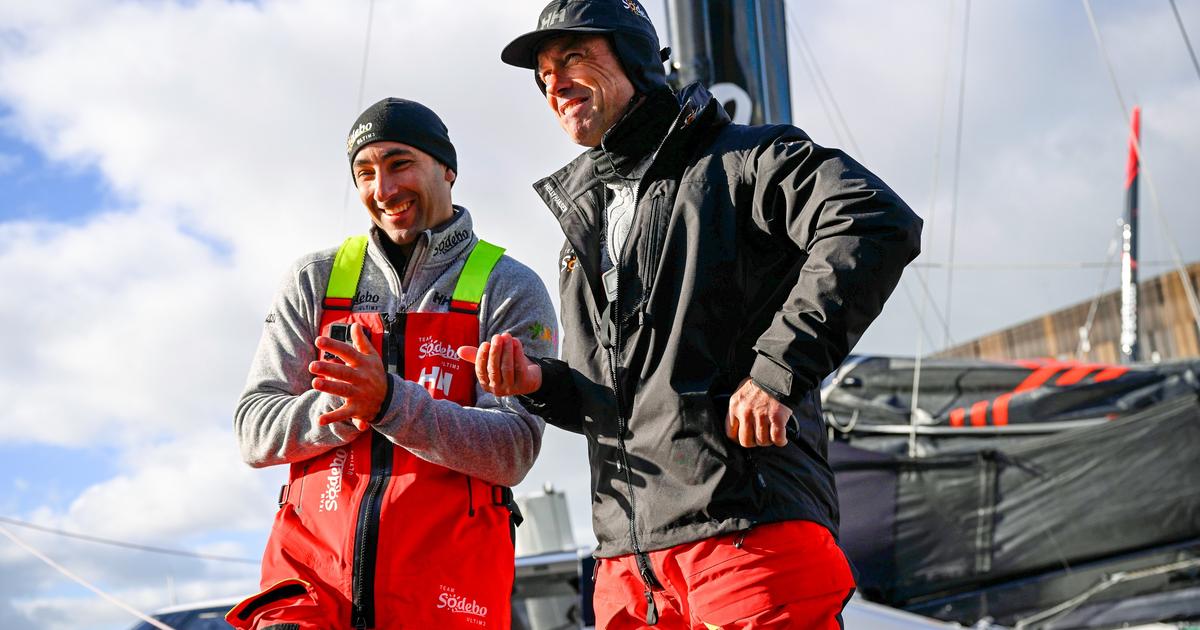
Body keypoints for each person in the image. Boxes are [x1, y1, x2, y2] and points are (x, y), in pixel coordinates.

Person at [461, 1, 923, 628]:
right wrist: (539, 385)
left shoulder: (746, 159)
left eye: (573, 57)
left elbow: (872, 219)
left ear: (636, 56)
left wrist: (776, 373)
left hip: (747, 538)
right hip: (627, 571)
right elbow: (624, 403)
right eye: (542, 75)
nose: (554, 85)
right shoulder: (581, 230)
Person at [229, 97, 557, 630]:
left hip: (446, 597)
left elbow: (514, 448)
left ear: (448, 169)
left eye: (400, 163)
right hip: (310, 590)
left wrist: (389, 402)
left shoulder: (510, 286)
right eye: (365, 172)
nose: (383, 190)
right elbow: (253, 431)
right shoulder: (315, 278)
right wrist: (344, 401)